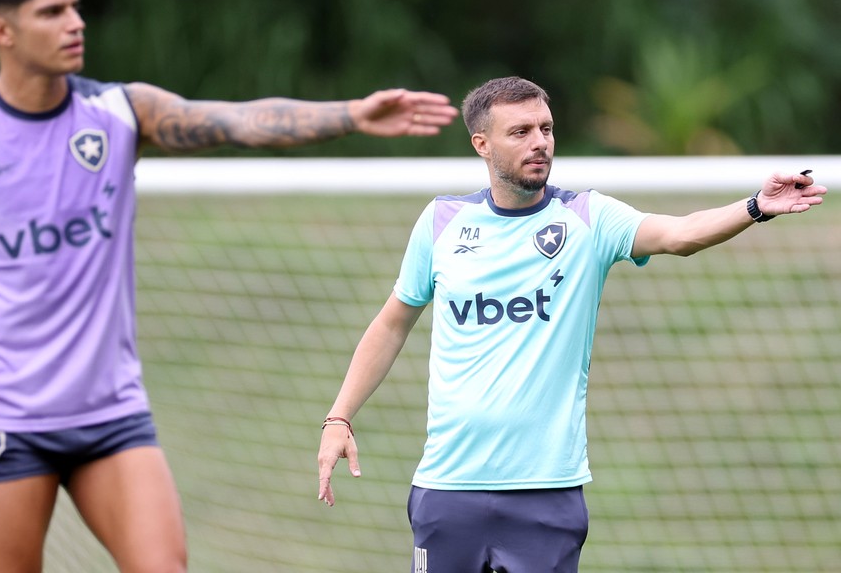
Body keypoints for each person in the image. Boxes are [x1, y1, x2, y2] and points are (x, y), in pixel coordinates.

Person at [0, 0, 458, 573]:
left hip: (110, 414)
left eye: (75, 7)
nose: (76, 23)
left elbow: (235, 121)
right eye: (51, 12)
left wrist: (352, 114)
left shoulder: (120, 113)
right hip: (6, 419)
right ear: (1, 31)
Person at [316, 75, 827, 572]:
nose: (540, 142)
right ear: (482, 144)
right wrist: (339, 417)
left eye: (546, 128)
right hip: (448, 489)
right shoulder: (441, 222)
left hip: (547, 492)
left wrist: (757, 207)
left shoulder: (588, 217)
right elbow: (391, 324)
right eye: (520, 132)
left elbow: (680, 234)